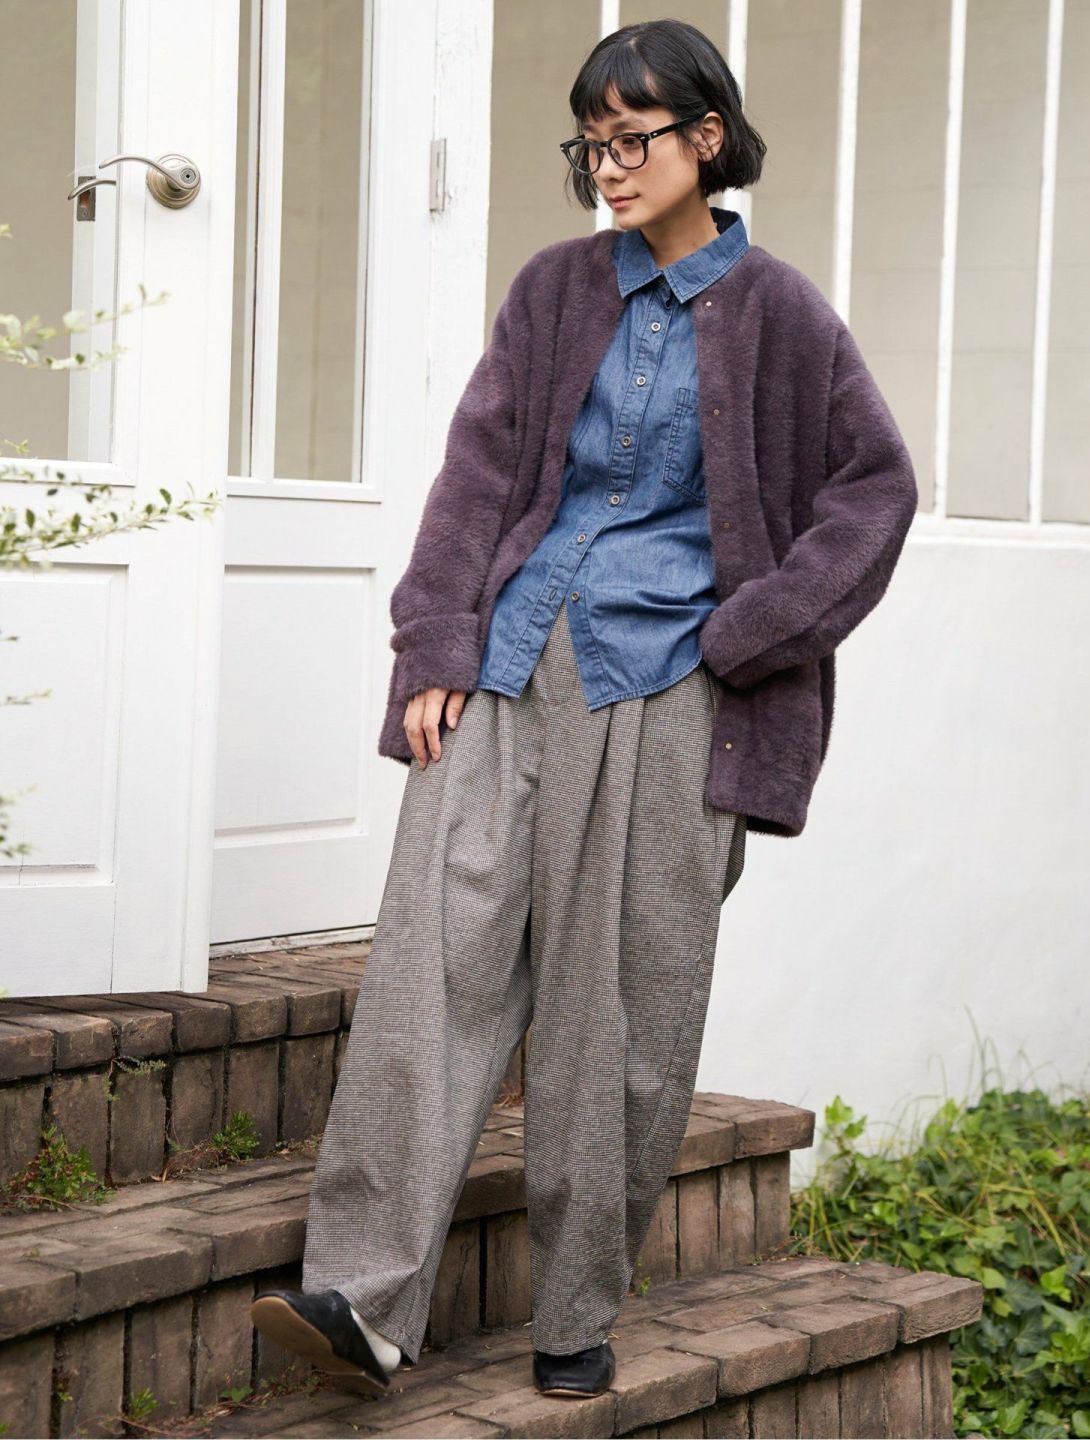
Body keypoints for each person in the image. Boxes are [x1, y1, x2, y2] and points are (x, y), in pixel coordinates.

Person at [250, 15, 917, 1404]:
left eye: (632, 140)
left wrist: (752, 634)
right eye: (591, 145)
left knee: (616, 1016)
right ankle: (363, 1303)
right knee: (431, 970)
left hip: (674, 693)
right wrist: (436, 640)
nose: (606, 167)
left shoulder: (782, 313)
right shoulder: (554, 290)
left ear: (707, 140)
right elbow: (479, 469)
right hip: (511, 666)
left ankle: (574, 1311)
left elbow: (875, 490)